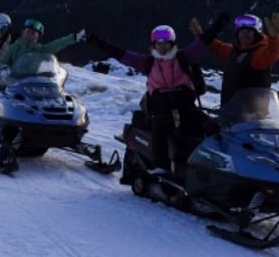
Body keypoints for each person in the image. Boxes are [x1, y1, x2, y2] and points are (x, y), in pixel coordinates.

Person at [87, 16, 226, 179]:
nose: (162, 46)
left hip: (187, 108)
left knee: (210, 125)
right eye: (158, 43)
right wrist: (99, 43)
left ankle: (219, 166)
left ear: (172, 43)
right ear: (154, 45)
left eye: (165, 42)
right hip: (162, 110)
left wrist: (218, 25)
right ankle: (162, 167)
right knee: (160, 125)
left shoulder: (184, 58)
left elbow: (202, 42)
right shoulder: (147, 63)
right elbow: (121, 54)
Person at [0, 19, 86, 102]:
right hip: (11, 81)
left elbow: (57, 44)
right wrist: (3, 68)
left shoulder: (40, 50)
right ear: (23, 33)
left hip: (31, 83)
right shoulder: (13, 48)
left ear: (37, 37)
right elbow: (2, 61)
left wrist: (74, 38)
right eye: (28, 31)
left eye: (33, 33)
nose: (29, 35)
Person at [200, 12, 279, 106]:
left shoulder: (257, 54)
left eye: (249, 32)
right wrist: (201, 36)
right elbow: (216, 47)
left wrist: (274, 38)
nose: (245, 35)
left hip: (253, 115)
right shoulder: (234, 51)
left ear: (256, 34)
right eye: (242, 32)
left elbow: (272, 54)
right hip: (229, 112)